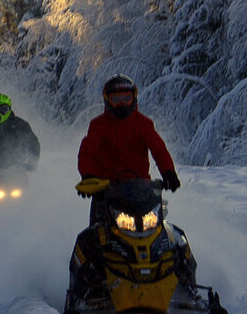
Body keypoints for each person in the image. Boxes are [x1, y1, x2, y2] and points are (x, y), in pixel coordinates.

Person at [77, 74, 180, 221]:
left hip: (141, 191)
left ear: (134, 98)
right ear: (107, 100)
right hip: (106, 192)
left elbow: (159, 150)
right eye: (116, 100)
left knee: (162, 231)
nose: (121, 104)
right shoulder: (98, 125)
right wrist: (88, 176)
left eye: (126, 99)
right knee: (94, 235)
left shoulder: (143, 124)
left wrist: (169, 173)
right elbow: (87, 153)